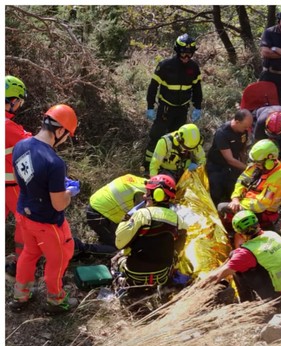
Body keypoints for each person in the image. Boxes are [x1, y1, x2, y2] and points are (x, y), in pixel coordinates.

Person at [10, 104, 80, 314]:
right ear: (60, 131)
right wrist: (69, 192)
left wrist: (52, 184)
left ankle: (21, 296)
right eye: (67, 135)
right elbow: (58, 204)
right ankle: (56, 301)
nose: (66, 140)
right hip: (47, 223)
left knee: (29, 254)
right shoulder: (54, 162)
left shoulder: (21, 145)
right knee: (58, 259)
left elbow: (19, 179)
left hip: (24, 214)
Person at [204, 210, 281, 302]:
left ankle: (247, 302)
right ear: (258, 224)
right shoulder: (272, 234)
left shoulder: (247, 253)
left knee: (234, 258)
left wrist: (199, 288)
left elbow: (217, 276)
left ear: (240, 234)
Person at [113, 174, 187, 287]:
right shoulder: (178, 220)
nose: (144, 196)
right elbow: (178, 247)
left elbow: (119, 243)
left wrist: (125, 219)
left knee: (116, 259)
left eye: (148, 192)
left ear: (158, 194)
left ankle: (120, 285)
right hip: (162, 275)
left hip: (135, 274)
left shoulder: (142, 214)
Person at [144, 33, 203, 171]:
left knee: (179, 140)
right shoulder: (165, 66)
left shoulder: (193, 68)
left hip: (182, 109)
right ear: (177, 51)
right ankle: (147, 167)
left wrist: (198, 106)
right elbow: (153, 87)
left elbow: (197, 89)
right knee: (156, 136)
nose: (186, 57)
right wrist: (150, 106)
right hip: (166, 108)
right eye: (183, 54)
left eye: (189, 54)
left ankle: (174, 167)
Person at [219, 139, 281, 233]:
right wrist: (235, 198)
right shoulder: (257, 165)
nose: (255, 165)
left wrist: (240, 205)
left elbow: (261, 204)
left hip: (262, 212)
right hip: (246, 202)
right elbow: (241, 180)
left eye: (258, 163)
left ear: (269, 161)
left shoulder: (279, 176)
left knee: (222, 208)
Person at [5, 76, 32, 263]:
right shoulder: (8, 126)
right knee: (25, 224)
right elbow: (29, 143)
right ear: (12, 100)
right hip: (11, 186)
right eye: (19, 101)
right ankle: (20, 262)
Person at [83, 174, 147, 253]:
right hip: (99, 214)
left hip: (98, 206)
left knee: (119, 237)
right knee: (119, 246)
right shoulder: (142, 195)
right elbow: (140, 221)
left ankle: (104, 242)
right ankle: (83, 249)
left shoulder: (141, 182)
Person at [205, 109, 253, 205]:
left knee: (234, 192)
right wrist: (249, 169)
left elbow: (242, 151)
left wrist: (243, 168)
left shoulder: (243, 131)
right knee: (215, 193)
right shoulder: (222, 133)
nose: (247, 129)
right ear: (237, 122)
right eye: (245, 126)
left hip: (233, 166)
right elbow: (229, 159)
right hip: (217, 166)